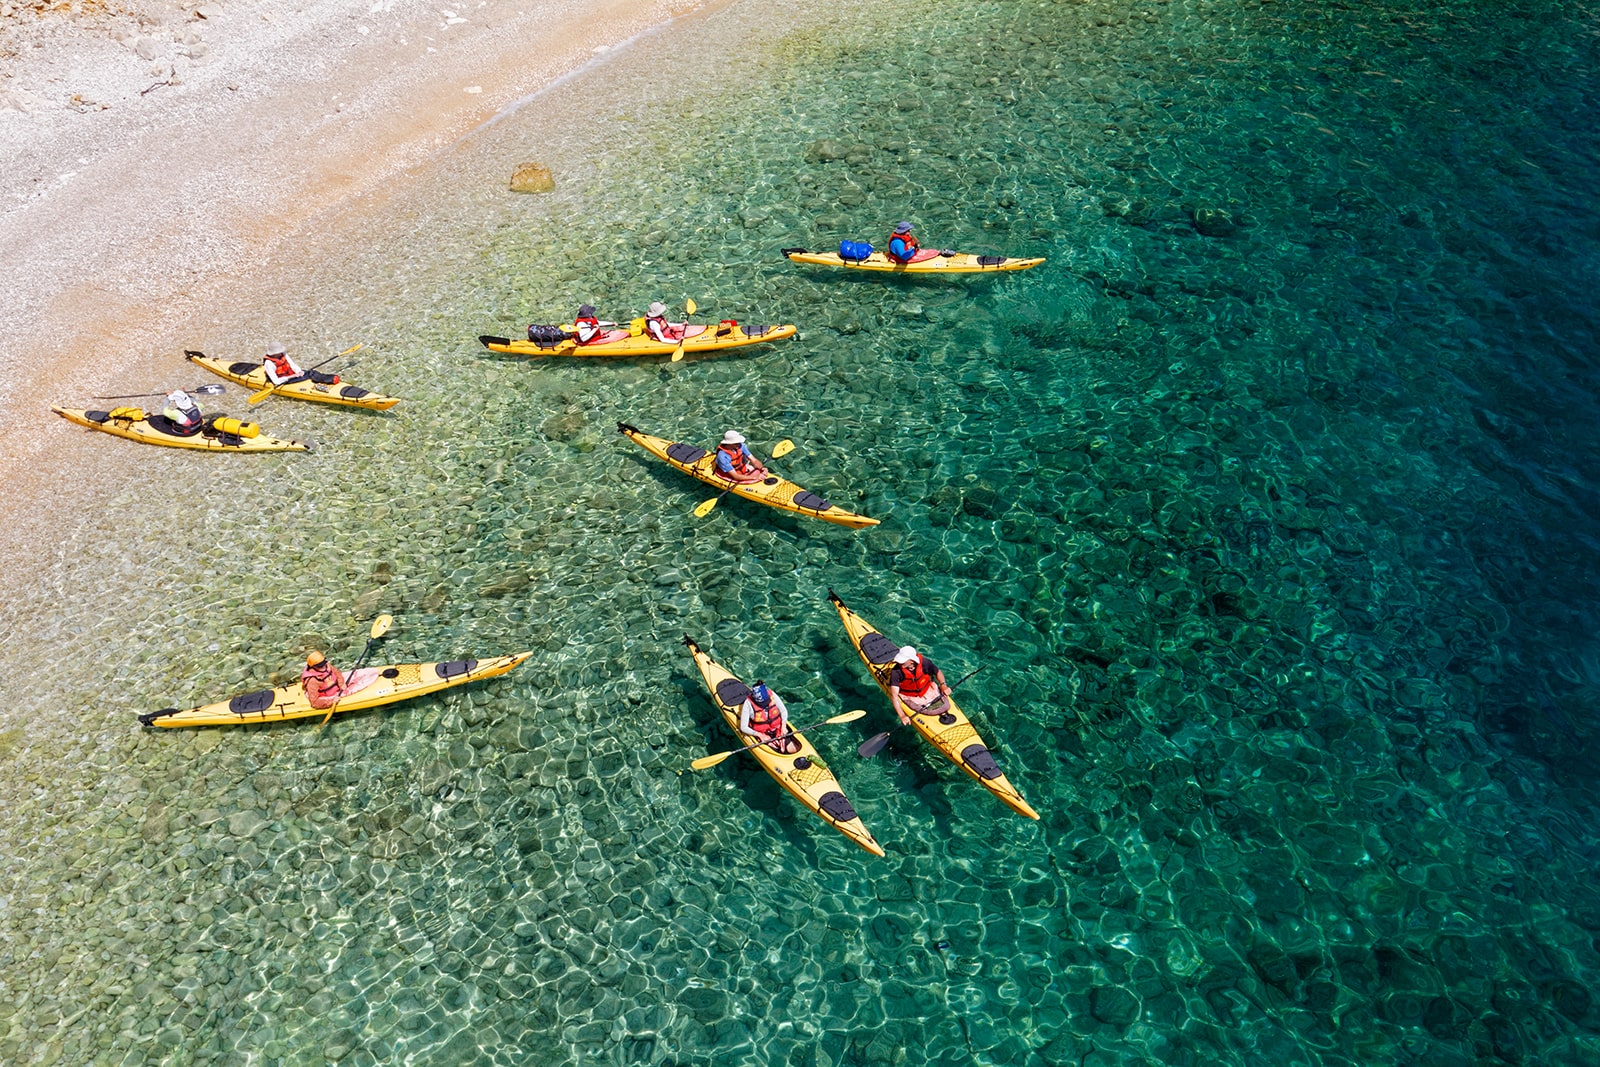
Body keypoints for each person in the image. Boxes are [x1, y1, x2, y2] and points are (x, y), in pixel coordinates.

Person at [888, 645, 952, 725]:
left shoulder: (925, 663)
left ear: (911, 661)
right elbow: (894, 696)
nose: (899, 663)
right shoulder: (896, 672)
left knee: (946, 706)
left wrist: (943, 685)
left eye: (902, 661)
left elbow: (938, 672)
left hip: (929, 690)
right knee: (936, 708)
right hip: (911, 697)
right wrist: (902, 716)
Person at [300, 651, 380, 710]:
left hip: (336, 685)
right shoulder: (312, 681)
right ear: (313, 667)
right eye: (320, 666)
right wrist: (331, 701)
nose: (323, 667)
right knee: (361, 685)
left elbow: (337, 673)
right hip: (328, 696)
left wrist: (341, 683)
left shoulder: (326, 665)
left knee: (371, 672)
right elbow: (314, 703)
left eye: (323, 664)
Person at [739, 680, 799, 755]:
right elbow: (743, 727)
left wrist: (783, 726)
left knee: (792, 749)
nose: (765, 705)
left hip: (778, 729)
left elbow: (783, 711)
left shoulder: (772, 695)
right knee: (776, 751)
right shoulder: (748, 704)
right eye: (762, 704)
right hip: (761, 733)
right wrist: (760, 735)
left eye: (766, 702)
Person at [263, 342, 339, 386]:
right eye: (277, 352)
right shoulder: (269, 363)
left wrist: (299, 371)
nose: (279, 353)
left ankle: (326, 379)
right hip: (284, 380)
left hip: (291, 375)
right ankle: (329, 379)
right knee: (311, 373)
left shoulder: (283, 354)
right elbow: (276, 381)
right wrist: (292, 376)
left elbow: (292, 365)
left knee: (309, 372)